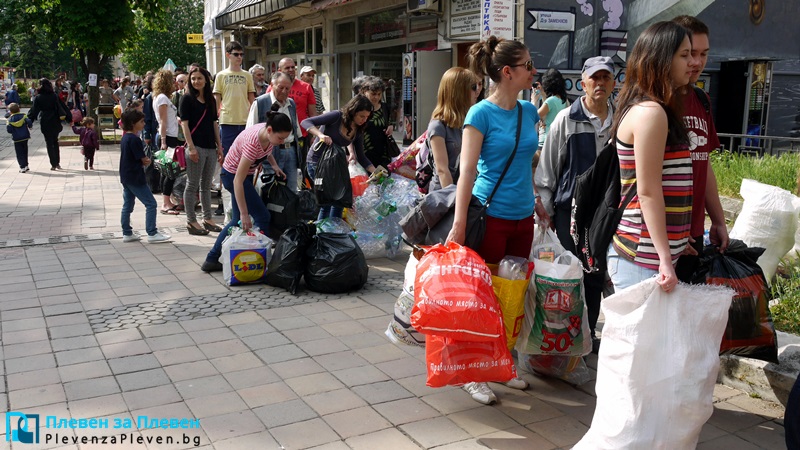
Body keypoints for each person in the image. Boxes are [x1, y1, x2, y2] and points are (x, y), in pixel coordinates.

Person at [445, 36, 539, 405]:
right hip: (490, 217)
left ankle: (503, 365)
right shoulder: (479, 114)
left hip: (523, 218)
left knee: (511, 298)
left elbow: (525, 162)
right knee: (479, 299)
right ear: (507, 72)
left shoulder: (529, 110)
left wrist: (538, 202)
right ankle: (472, 373)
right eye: (528, 65)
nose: (533, 70)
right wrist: (459, 222)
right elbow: (466, 172)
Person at [534, 56, 616, 350]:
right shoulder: (565, 120)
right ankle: (562, 341)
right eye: (595, 78)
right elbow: (547, 174)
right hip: (570, 214)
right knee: (569, 274)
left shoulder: (621, 120)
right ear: (583, 84)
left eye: (606, 78)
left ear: (614, 83)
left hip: (606, 215)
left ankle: (587, 336)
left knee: (596, 276)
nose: (600, 84)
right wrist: (544, 216)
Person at [607, 21, 695, 293]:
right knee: (638, 337)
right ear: (661, 60)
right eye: (684, 55)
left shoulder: (658, 110)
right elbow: (648, 191)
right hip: (644, 258)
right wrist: (666, 257)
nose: (692, 62)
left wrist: (678, 242)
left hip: (651, 256)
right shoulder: (651, 113)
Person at [672, 15, 730, 282]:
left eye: (704, 54)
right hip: (659, 237)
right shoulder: (655, 103)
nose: (697, 62)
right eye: (690, 53)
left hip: (694, 232)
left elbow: (703, 164)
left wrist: (717, 220)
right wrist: (669, 236)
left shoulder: (702, 100)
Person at [200, 105, 290, 272]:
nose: (282, 142)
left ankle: (212, 259)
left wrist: (274, 165)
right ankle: (260, 260)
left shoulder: (267, 134)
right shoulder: (252, 143)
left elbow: (267, 150)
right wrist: (244, 213)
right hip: (233, 177)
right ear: (269, 130)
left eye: (285, 138)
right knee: (262, 216)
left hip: (242, 176)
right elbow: (237, 182)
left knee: (235, 222)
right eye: (281, 138)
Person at [302, 95, 376, 219]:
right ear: (353, 111)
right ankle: (322, 234)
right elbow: (306, 122)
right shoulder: (336, 116)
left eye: (367, 117)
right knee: (327, 201)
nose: (364, 120)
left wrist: (375, 171)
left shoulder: (358, 130)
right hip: (317, 163)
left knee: (340, 201)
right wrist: (320, 134)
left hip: (335, 166)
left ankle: (334, 232)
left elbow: (361, 157)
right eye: (361, 116)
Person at [179, 66, 224, 236]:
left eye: (199, 78)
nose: (196, 81)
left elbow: (214, 123)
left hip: (210, 147)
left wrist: (219, 146)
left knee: (206, 186)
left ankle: (208, 219)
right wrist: (191, 147)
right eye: (193, 79)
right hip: (195, 147)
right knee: (192, 185)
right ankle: (191, 221)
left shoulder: (211, 100)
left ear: (206, 80)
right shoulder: (187, 99)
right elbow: (185, 124)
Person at [426, 67, 483, 191]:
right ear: (460, 91)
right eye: (473, 87)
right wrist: (454, 201)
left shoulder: (470, 121)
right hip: (444, 196)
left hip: (467, 192)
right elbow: (442, 170)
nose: (477, 91)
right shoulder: (437, 126)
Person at [119, 109, 171, 244]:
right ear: (133, 123)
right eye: (141, 122)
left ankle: (127, 232)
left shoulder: (125, 137)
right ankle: (152, 233)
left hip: (126, 176)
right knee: (151, 204)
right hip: (136, 177)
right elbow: (143, 159)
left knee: (128, 205)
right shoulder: (135, 139)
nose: (143, 124)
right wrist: (151, 159)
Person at [247, 72, 303, 191]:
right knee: (270, 190)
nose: (284, 91)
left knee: (292, 189)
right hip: (270, 153)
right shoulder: (260, 102)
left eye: (287, 88)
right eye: (281, 87)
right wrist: (257, 157)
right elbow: (250, 132)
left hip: (291, 151)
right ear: (272, 85)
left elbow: (296, 129)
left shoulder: (291, 103)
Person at [213, 41, 256, 157]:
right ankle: (227, 175)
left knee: (245, 153)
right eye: (236, 54)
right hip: (227, 120)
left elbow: (251, 97)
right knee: (227, 153)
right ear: (228, 55)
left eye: (241, 54)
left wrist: (254, 115)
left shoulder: (247, 75)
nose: (239, 57)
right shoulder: (221, 75)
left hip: (245, 120)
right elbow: (217, 96)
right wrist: (217, 115)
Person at [152, 69, 183, 215]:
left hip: (169, 135)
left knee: (167, 170)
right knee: (170, 171)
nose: (174, 83)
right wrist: (164, 140)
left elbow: (166, 119)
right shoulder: (163, 98)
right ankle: (165, 203)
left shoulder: (160, 97)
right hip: (168, 136)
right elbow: (163, 121)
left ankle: (167, 200)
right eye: (172, 80)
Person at [28, 78, 70, 170]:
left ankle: (53, 164)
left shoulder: (39, 97)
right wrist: (69, 118)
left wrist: (29, 121)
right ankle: (57, 163)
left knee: (49, 142)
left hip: (45, 121)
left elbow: (34, 111)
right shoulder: (54, 95)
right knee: (55, 141)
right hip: (55, 120)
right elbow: (62, 106)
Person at [274, 57, 317, 148]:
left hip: (301, 136)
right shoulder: (273, 87)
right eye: (287, 68)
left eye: (293, 67)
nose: (291, 70)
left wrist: (315, 135)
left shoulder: (306, 87)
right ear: (279, 70)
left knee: (301, 162)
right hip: (277, 137)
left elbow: (313, 114)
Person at [360, 77, 396, 169]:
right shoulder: (359, 108)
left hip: (383, 154)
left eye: (379, 94)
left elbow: (389, 122)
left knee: (383, 180)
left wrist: (391, 126)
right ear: (365, 92)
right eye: (373, 94)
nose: (376, 97)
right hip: (364, 154)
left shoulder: (385, 108)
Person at [534, 69, 569, 152]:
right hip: (557, 141)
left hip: (545, 141)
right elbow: (549, 111)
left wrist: (534, 100)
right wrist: (542, 93)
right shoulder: (563, 100)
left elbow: (533, 117)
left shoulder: (550, 101)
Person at [6, 103, 32, 173]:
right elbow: (29, 121)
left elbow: (9, 130)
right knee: (25, 151)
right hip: (25, 137)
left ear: (10, 111)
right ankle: (26, 165)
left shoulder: (10, 119)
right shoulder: (23, 116)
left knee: (19, 153)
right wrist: (30, 126)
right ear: (19, 109)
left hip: (16, 138)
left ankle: (22, 167)